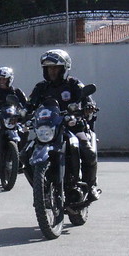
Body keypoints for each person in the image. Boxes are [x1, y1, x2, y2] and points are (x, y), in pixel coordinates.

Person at [27, 49, 100, 200]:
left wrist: (88, 106)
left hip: (72, 127)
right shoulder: (41, 87)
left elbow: (86, 98)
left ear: (64, 68)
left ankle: (90, 186)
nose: (52, 71)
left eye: (55, 68)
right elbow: (31, 104)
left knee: (87, 150)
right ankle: (41, 189)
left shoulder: (73, 84)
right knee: (25, 154)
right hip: (49, 129)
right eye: (49, 68)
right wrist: (21, 113)